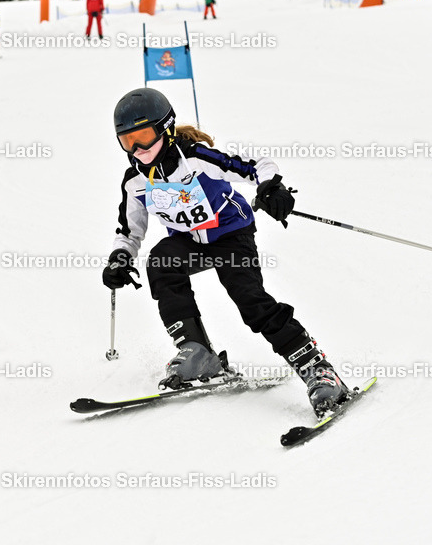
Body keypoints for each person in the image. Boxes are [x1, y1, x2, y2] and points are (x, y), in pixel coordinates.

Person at [101, 88, 349, 416]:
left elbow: (255, 166)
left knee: (251, 302)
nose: (138, 148)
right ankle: (197, 351)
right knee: (162, 261)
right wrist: (120, 257)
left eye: (144, 137)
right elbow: (130, 230)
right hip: (190, 241)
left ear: (166, 129)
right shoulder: (134, 181)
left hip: (231, 236)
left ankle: (319, 371)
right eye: (128, 141)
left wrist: (271, 187)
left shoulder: (198, 158)